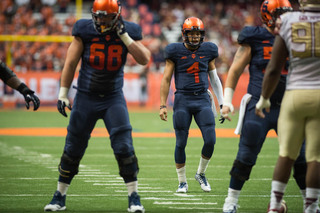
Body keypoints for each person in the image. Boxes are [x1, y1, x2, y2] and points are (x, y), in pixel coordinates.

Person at [44, 0, 150, 212]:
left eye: (105, 16)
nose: (101, 21)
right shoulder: (84, 30)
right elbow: (71, 63)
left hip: (113, 97)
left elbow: (144, 59)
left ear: (117, 15)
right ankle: (59, 196)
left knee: (124, 146)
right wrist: (63, 94)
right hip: (86, 96)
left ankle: (134, 197)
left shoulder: (128, 30)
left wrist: (124, 37)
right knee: (73, 147)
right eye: (98, 16)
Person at [221, 1, 308, 212]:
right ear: (267, 15)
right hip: (259, 106)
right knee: (246, 155)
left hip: (290, 105)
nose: (283, 18)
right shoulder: (255, 36)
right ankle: (231, 202)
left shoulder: (297, 33)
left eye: (286, 13)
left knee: (302, 159)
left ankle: (310, 204)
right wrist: (227, 100)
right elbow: (235, 70)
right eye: (279, 14)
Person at [255, 0, 320, 212]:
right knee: (315, 157)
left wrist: (264, 97)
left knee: (286, 154)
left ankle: (274, 206)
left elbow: (274, 68)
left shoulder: (287, 20)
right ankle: (311, 208)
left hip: (295, 93)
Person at [159, 17, 224, 193]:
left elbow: (214, 79)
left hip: (203, 99)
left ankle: (200, 173)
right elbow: (166, 78)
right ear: (184, 34)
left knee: (210, 140)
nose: (195, 37)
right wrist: (162, 105)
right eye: (191, 34)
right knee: (181, 142)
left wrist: (222, 103)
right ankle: (182, 182)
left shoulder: (208, 50)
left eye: (197, 34)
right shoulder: (174, 51)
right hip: (183, 100)